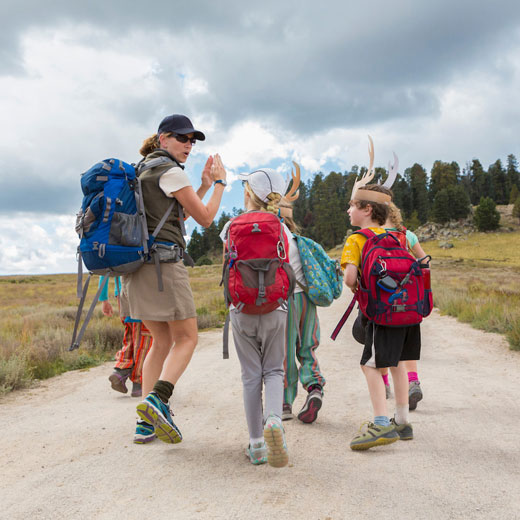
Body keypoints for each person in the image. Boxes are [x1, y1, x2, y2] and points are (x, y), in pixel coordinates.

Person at [119, 114, 227, 445]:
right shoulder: (170, 171)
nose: (189, 145)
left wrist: (204, 186)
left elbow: (174, 217)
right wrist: (221, 184)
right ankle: (157, 399)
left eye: (192, 141)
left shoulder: (143, 170)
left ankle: (145, 423)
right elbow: (205, 219)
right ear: (163, 138)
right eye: (182, 138)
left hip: (136, 269)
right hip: (164, 267)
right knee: (188, 338)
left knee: (161, 341)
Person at [220, 168, 296, 467]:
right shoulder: (282, 227)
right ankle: (274, 420)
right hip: (275, 309)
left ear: (248, 193)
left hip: (242, 309)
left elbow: (226, 268)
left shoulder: (229, 226)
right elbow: (287, 267)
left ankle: (256, 445)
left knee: (251, 376)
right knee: (275, 370)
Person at [341, 184, 418, 450]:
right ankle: (403, 422)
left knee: (370, 365)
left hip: (381, 314)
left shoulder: (357, 239)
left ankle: (380, 423)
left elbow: (350, 277)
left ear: (367, 209)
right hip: (408, 312)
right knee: (397, 363)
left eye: (352, 206)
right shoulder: (400, 236)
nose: (348, 211)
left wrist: (355, 285)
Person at [278, 200, 326, 424]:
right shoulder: (297, 239)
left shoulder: (272, 233)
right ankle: (314, 387)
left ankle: (285, 402)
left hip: (285, 298)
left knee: (285, 351)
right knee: (308, 346)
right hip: (306, 297)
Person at [382, 202, 428, 410]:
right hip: (408, 299)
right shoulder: (408, 236)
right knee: (408, 343)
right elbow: (424, 261)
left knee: (379, 343)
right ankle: (413, 381)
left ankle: (384, 385)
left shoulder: (373, 235)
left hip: (382, 298)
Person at [100, 275, 153, 398]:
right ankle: (139, 381)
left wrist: (104, 299)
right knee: (145, 337)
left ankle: (121, 369)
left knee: (131, 334)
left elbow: (104, 269)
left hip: (121, 293)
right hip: (140, 290)